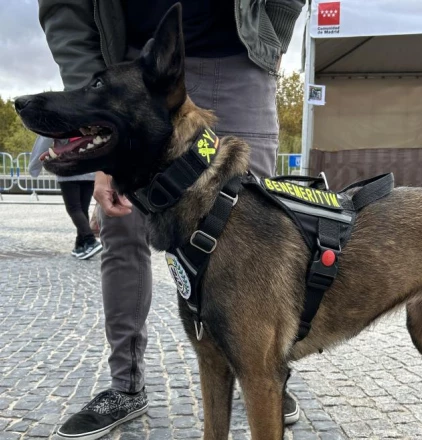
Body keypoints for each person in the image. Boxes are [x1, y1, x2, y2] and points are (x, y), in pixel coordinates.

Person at [38, 0, 306, 438]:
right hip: (132, 71)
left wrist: (271, 35)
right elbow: (64, 8)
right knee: (123, 232)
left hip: (237, 61)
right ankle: (125, 385)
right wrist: (98, 116)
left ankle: (265, 369)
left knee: (258, 232)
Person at [29, 136, 102, 259]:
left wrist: (34, 168)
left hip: (69, 168)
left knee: (73, 208)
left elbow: (44, 140)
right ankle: (80, 245)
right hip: (89, 169)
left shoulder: (60, 118)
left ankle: (90, 240)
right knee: (82, 209)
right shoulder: (85, 118)